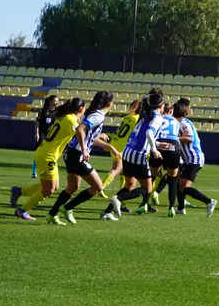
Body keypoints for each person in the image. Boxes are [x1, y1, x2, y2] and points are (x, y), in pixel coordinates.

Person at [47, 91, 121, 225]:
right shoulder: (97, 116)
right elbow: (80, 129)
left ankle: (52, 214)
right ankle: (67, 208)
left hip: (71, 153)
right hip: (77, 155)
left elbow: (89, 138)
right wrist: (85, 149)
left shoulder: (94, 115)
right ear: (110, 104)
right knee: (97, 187)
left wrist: (109, 147)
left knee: (72, 188)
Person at [10, 97, 87, 221]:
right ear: (81, 109)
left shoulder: (64, 117)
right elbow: (81, 134)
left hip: (45, 152)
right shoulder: (71, 121)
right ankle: (22, 210)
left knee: (52, 186)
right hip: (47, 156)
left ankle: (19, 191)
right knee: (49, 189)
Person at [103, 89, 166, 219]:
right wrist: (154, 149)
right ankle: (118, 198)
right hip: (139, 155)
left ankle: (107, 212)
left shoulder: (144, 114)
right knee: (147, 189)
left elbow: (144, 135)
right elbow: (149, 133)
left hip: (127, 152)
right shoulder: (157, 117)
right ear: (161, 105)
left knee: (129, 186)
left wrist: (157, 145)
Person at [173, 98, 217, 217]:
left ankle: (209, 202)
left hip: (194, 158)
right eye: (189, 107)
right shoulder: (180, 122)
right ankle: (181, 208)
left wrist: (174, 139)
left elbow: (189, 138)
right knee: (179, 183)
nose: (189, 109)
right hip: (190, 158)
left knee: (184, 187)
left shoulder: (183, 123)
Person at [150, 102, 183, 217]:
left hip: (159, 144)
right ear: (171, 111)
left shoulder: (158, 118)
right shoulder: (175, 121)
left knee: (152, 176)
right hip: (173, 146)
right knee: (172, 179)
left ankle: (144, 203)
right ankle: (171, 207)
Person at [103, 99, 141, 192]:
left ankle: (121, 191)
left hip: (115, 143)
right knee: (117, 168)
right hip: (122, 146)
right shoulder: (137, 119)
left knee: (123, 172)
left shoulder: (127, 117)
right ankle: (100, 187)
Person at [32, 95, 59, 179]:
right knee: (39, 153)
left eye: (57, 101)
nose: (56, 103)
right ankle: (34, 172)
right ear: (50, 101)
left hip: (51, 136)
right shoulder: (43, 111)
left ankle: (48, 171)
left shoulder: (57, 113)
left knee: (50, 154)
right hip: (43, 134)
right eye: (55, 101)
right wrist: (37, 134)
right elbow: (37, 123)